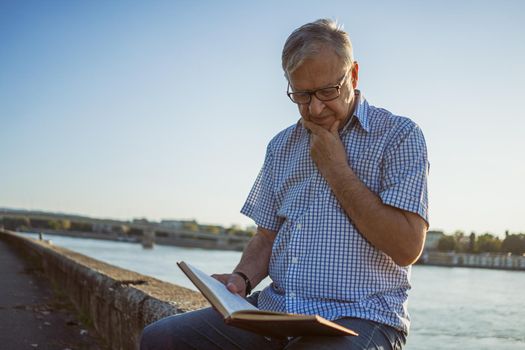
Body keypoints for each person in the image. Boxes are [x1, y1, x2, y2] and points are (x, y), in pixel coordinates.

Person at [140, 18, 429, 350]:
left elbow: (407, 248)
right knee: (160, 339)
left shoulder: (399, 136)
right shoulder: (281, 146)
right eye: (302, 96)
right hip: (276, 312)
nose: (316, 108)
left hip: (360, 319)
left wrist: (336, 169)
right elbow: (267, 236)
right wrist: (241, 279)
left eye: (327, 92)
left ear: (353, 74)